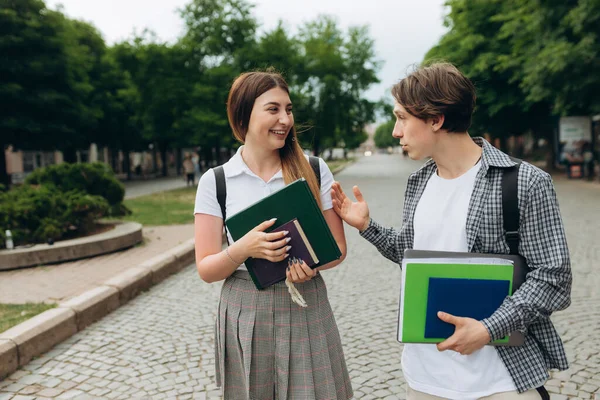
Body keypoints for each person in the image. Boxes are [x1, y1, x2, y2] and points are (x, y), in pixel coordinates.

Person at [331, 63, 572, 400]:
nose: (396, 132)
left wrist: (489, 329)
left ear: (435, 119)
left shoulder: (524, 182)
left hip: (499, 382)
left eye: (402, 118)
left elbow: (553, 278)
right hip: (424, 379)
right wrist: (367, 227)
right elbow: (414, 255)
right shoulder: (418, 182)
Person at [193, 70, 353, 399]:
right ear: (244, 114)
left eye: (289, 109)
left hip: (305, 299)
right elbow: (206, 268)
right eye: (273, 109)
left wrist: (313, 267)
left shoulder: (314, 168)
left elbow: (337, 249)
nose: (285, 119)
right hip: (244, 307)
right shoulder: (217, 181)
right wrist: (243, 249)